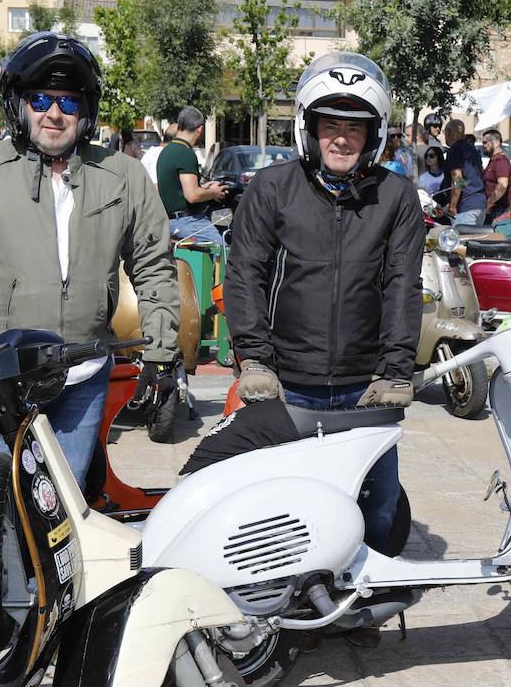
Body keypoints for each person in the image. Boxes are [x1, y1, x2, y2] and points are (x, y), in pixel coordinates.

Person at [0, 31, 182, 672]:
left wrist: (164, 351)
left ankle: (47, 619)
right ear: (18, 104)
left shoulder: (123, 177)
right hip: (0, 378)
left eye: (67, 99)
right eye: (40, 97)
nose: (53, 112)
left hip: (83, 373)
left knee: (57, 505)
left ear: (86, 109)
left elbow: (156, 266)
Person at [225, 52, 423, 586]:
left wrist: (396, 369)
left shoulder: (397, 197)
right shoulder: (271, 189)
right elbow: (245, 274)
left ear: (373, 135)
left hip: (367, 388)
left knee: (378, 504)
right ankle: (283, 599)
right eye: (329, 126)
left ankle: (362, 594)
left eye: (354, 128)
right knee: (281, 505)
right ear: (308, 129)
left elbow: (404, 284)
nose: (341, 138)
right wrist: (255, 359)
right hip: (287, 383)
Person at [156, 106, 228, 244]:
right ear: (200, 129)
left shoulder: (166, 152)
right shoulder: (185, 153)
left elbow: (177, 189)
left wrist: (205, 188)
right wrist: (213, 192)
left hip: (169, 222)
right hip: (188, 222)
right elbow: (192, 195)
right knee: (222, 251)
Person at [443, 119, 485, 225]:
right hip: (480, 205)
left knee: (461, 241)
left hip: (466, 207)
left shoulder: (455, 150)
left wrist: (452, 206)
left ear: (449, 132)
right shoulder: (473, 150)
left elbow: (458, 178)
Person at [480, 129, 511, 223]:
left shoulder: (501, 161)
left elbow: (502, 185)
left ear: (496, 143)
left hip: (498, 211)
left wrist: (489, 203)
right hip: (493, 210)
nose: (483, 146)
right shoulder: (494, 160)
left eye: (486, 142)